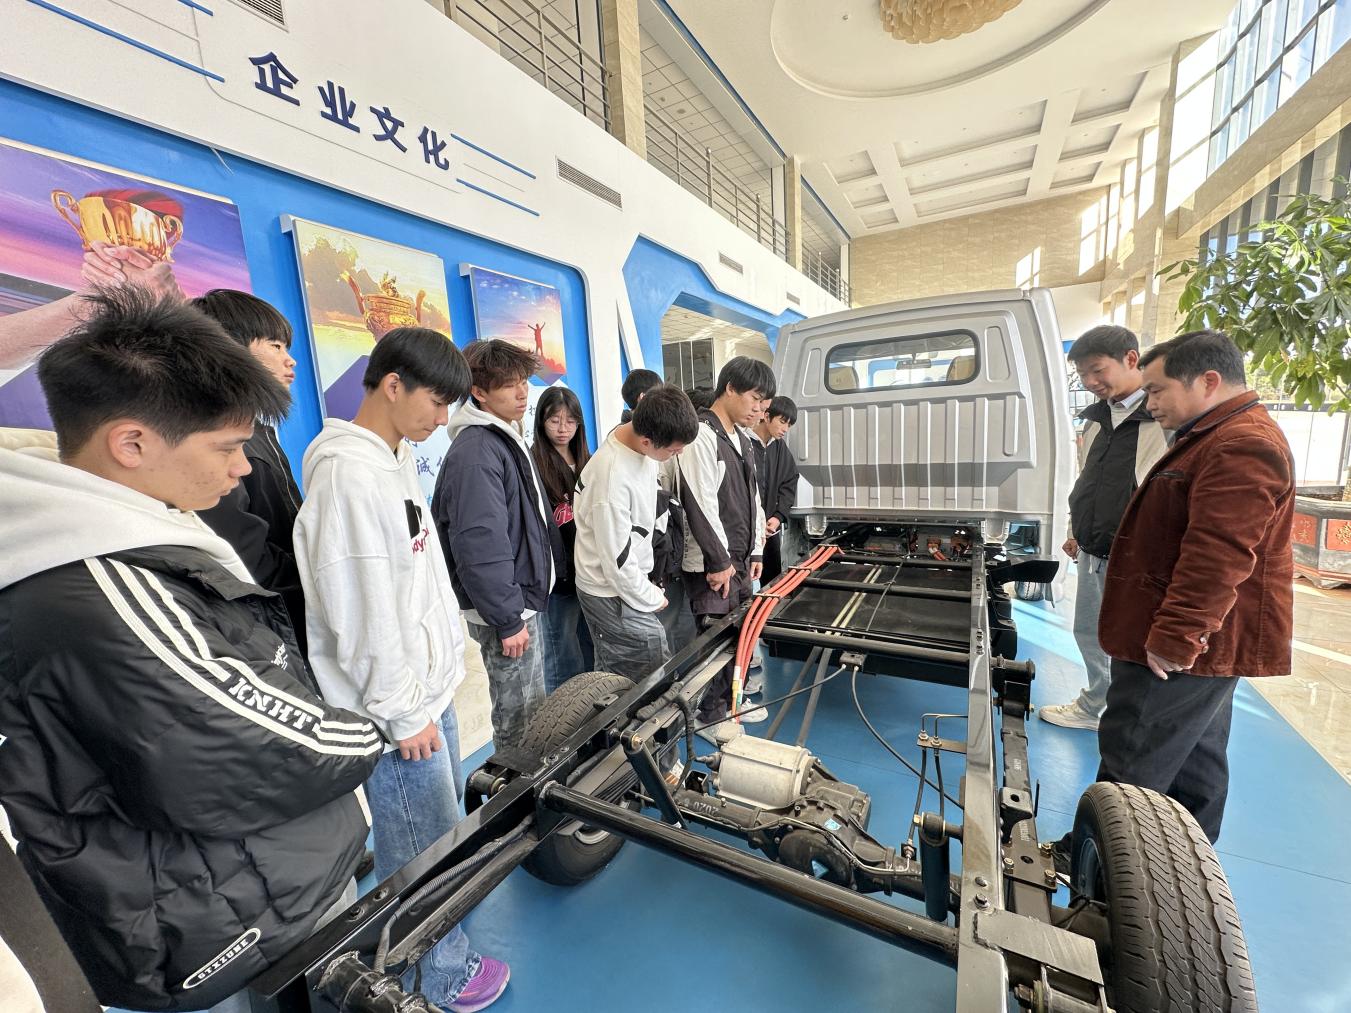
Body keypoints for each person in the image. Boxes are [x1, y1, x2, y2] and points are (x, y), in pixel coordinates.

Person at [0, 287, 382, 1012]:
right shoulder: (97, 581)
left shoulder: (127, 533)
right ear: (132, 443)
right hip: (221, 901)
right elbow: (235, 740)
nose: (243, 469)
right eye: (228, 447)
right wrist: (368, 735)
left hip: (240, 875)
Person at [294, 327, 510, 1012]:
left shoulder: (390, 459)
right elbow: (360, 613)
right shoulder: (349, 476)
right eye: (436, 402)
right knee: (421, 847)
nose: (442, 419)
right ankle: (434, 974)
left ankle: (432, 950)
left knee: (434, 835)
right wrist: (403, 711)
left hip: (424, 690)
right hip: (398, 710)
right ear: (393, 385)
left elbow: (413, 580)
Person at [1094, 330, 1294, 846]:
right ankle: (1186, 867)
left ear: (1207, 381)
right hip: (1204, 648)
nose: (1150, 403)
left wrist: (1177, 636)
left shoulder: (1240, 444)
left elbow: (1219, 553)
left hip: (1178, 646)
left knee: (1133, 758)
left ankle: (1102, 873)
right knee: (1193, 761)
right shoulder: (1218, 435)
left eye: (1157, 390)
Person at [434, 339, 563, 750]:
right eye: (509, 385)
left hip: (516, 600)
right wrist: (507, 618)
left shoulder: (501, 438)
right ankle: (518, 785)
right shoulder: (477, 451)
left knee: (533, 711)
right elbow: (479, 543)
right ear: (478, 391)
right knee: (520, 718)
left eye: (524, 381)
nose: (522, 393)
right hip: (506, 609)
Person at [1039, 326, 1167, 732]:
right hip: (1094, 547)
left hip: (1136, 555)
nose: (1090, 382)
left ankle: (1123, 717)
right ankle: (1098, 705)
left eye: (1097, 370)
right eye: (1082, 374)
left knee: (1130, 641)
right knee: (1091, 633)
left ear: (1131, 359)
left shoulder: (1161, 419)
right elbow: (1088, 481)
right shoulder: (1097, 419)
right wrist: (1076, 528)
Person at [193, 289, 310, 652]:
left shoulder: (259, 432)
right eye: (275, 346)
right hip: (271, 623)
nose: (289, 360)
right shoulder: (212, 439)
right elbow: (244, 552)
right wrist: (313, 589)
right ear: (229, 347)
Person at [666, 356, 774, 737]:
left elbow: (753, 499)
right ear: (729, 388)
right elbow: (700, 503)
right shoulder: (700, 436)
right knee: (714, 643)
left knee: (739, 638)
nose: (759, 410)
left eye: (764, 404)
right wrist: (718, 561)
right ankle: (708, 716)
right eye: (754, 399)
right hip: (714, 566)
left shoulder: (741, 439)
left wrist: (756, 550)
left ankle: (729, 704)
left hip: (739, 560)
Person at [573, 384, 700, 678]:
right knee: (646, 676)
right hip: (610, 591)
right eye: (674, 449)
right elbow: (617, 564)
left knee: (618, 675)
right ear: (646, 441)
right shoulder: (612, 480)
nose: (679, 453)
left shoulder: (639, 448)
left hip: (627, 582)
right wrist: (651, 597)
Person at [530, 386, 596, 691]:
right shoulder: (533, 463)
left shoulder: (588, 460)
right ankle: (563, 715)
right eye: (554, 420)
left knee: (588, 645)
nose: (562, 429)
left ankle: (588, 706)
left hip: (589, 572)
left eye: (570, 421)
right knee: (561, 654)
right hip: (558, 578)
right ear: (541, 422)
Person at [750, 395, 801, 587]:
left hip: (770, 529)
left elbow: (790, 480)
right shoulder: (744, 442)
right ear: (766, 415)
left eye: (789, 424)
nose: (785, 429)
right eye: (782, 421)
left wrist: (779, 516)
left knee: (771, 582)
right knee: (744, 585)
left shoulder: (779, 447)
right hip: (747, 530)